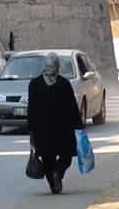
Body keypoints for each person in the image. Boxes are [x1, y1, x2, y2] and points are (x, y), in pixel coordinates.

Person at [26, 54, 80, 193]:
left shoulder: (35, 84)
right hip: (63, 128)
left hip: (42, 130)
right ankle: (58, 173)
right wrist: (78, 125)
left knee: (47, 158)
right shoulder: (64, 83)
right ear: (57, 66)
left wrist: (31, 129)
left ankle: (54, 185)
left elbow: (31, 108)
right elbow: (72, 106)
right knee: (66, 156)